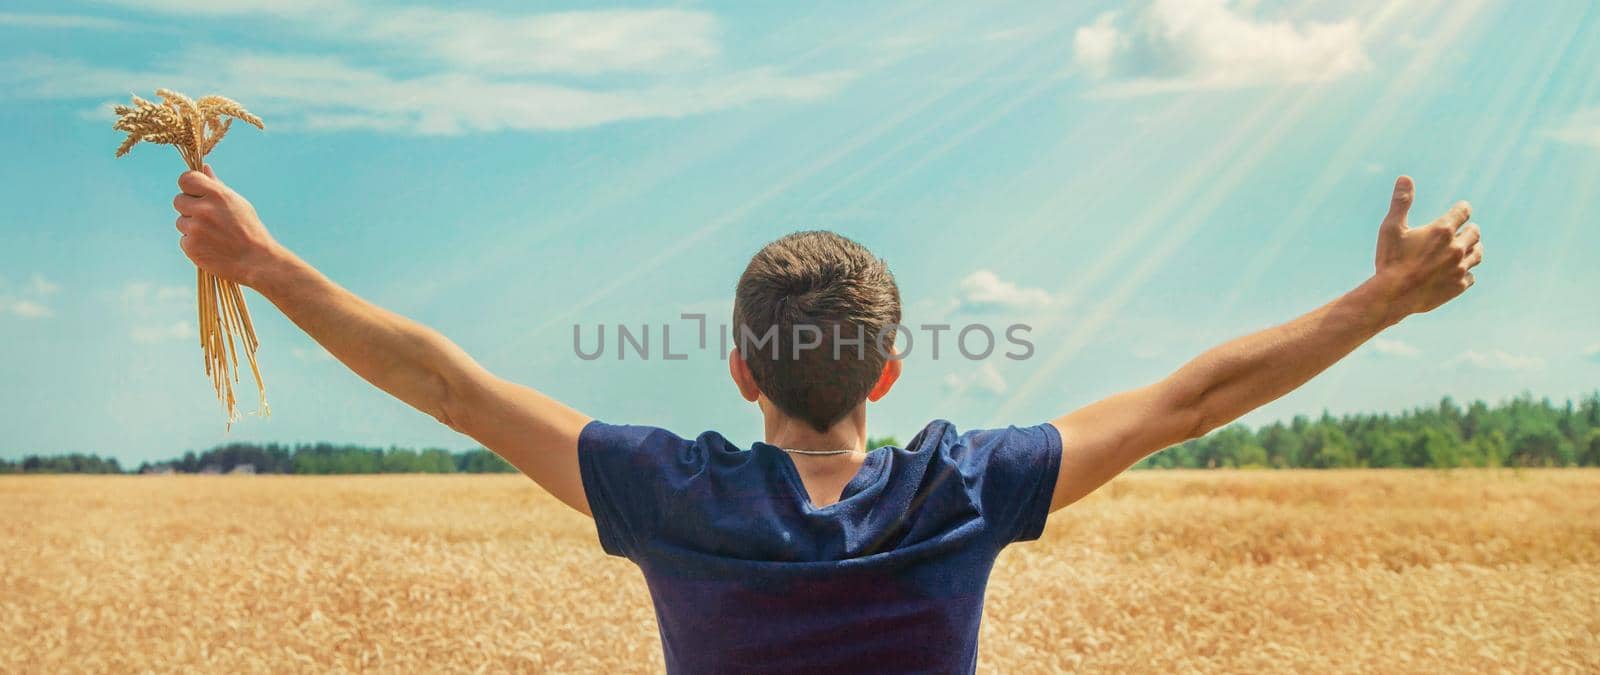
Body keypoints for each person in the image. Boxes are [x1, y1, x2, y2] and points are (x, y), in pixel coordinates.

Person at [171, 168, 1482, 673]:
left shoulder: (662, 491)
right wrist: (1380, 300)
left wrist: (265, 263)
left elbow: (447, 386)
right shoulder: (962, 489)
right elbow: (1189, 401)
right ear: (889, 376)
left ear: (741, 372)